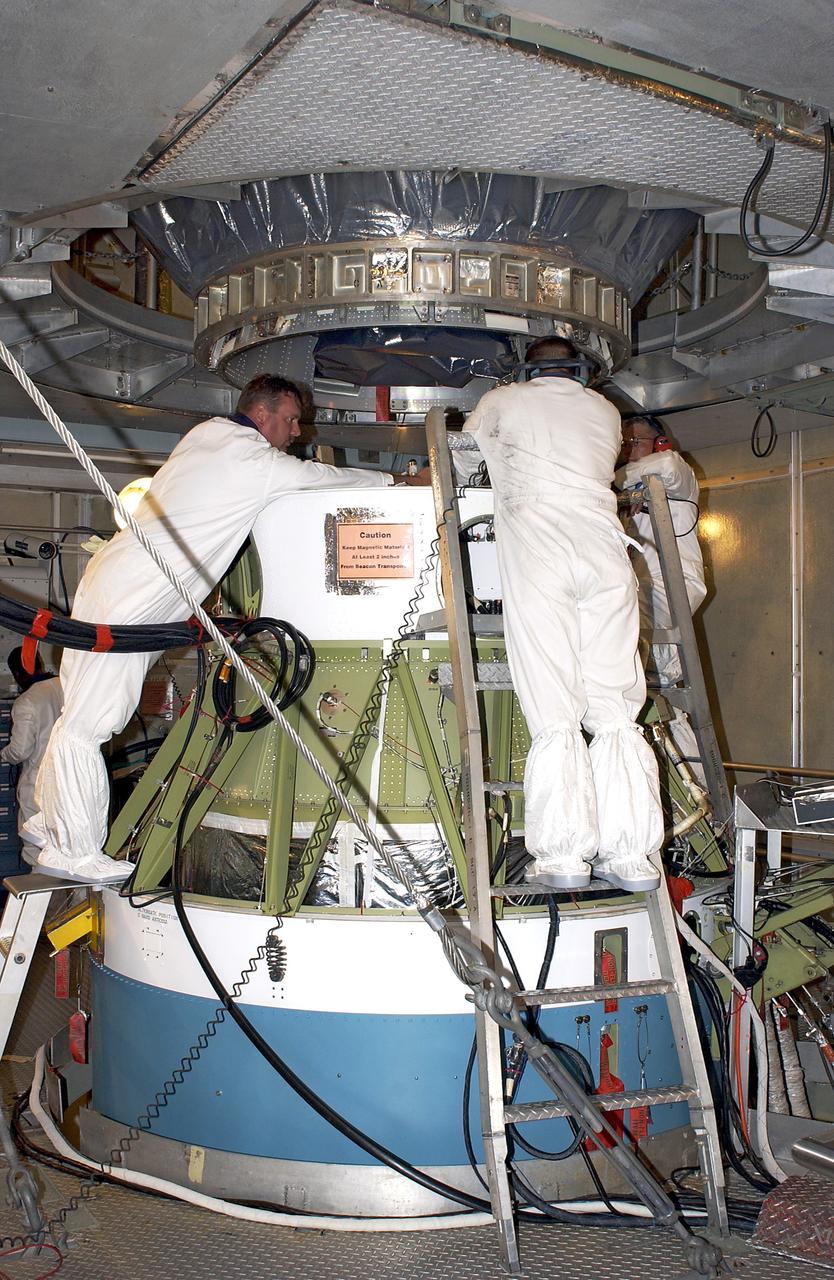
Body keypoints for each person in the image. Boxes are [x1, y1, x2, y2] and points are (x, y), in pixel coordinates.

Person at [28, 375, 423, 884]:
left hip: (109, 576)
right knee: (92, 723)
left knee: (76, 709)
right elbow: (322, 479)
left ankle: (46, 821)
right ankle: (74, 849)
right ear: (262, 416)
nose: (296, 430)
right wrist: (400, 482)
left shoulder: (205, 437)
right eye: (290, 419)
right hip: (134, 599)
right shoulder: (253, 461)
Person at [457, 337, 663, 892]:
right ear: (580, 371)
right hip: (606, 558)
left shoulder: (504, 400)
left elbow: (460, 457)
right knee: (617, 706)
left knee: (554, 703)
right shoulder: (605, 410)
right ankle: (632, 857)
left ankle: (564, 855)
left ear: (529, 369)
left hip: (543, 556)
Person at [614, 416, 707, 782]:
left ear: (660, 442)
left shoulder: (678, 473)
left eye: (635, 441)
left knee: (649, 666)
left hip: (673, 588)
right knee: (652, 683)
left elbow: (665, 467)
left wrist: (610, 482)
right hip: (638, 589)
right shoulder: (625, 493)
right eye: (623, 444)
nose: (627, 449)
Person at [1, 648, 62, 867]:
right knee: (67, 846)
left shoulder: (27, 701)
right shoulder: (63, 687)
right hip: (68, 781)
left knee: (35, 847)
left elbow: (20, 751)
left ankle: (39, 897)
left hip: (38, 785)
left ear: (17, 673)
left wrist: (3, 753)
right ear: (39, 664)